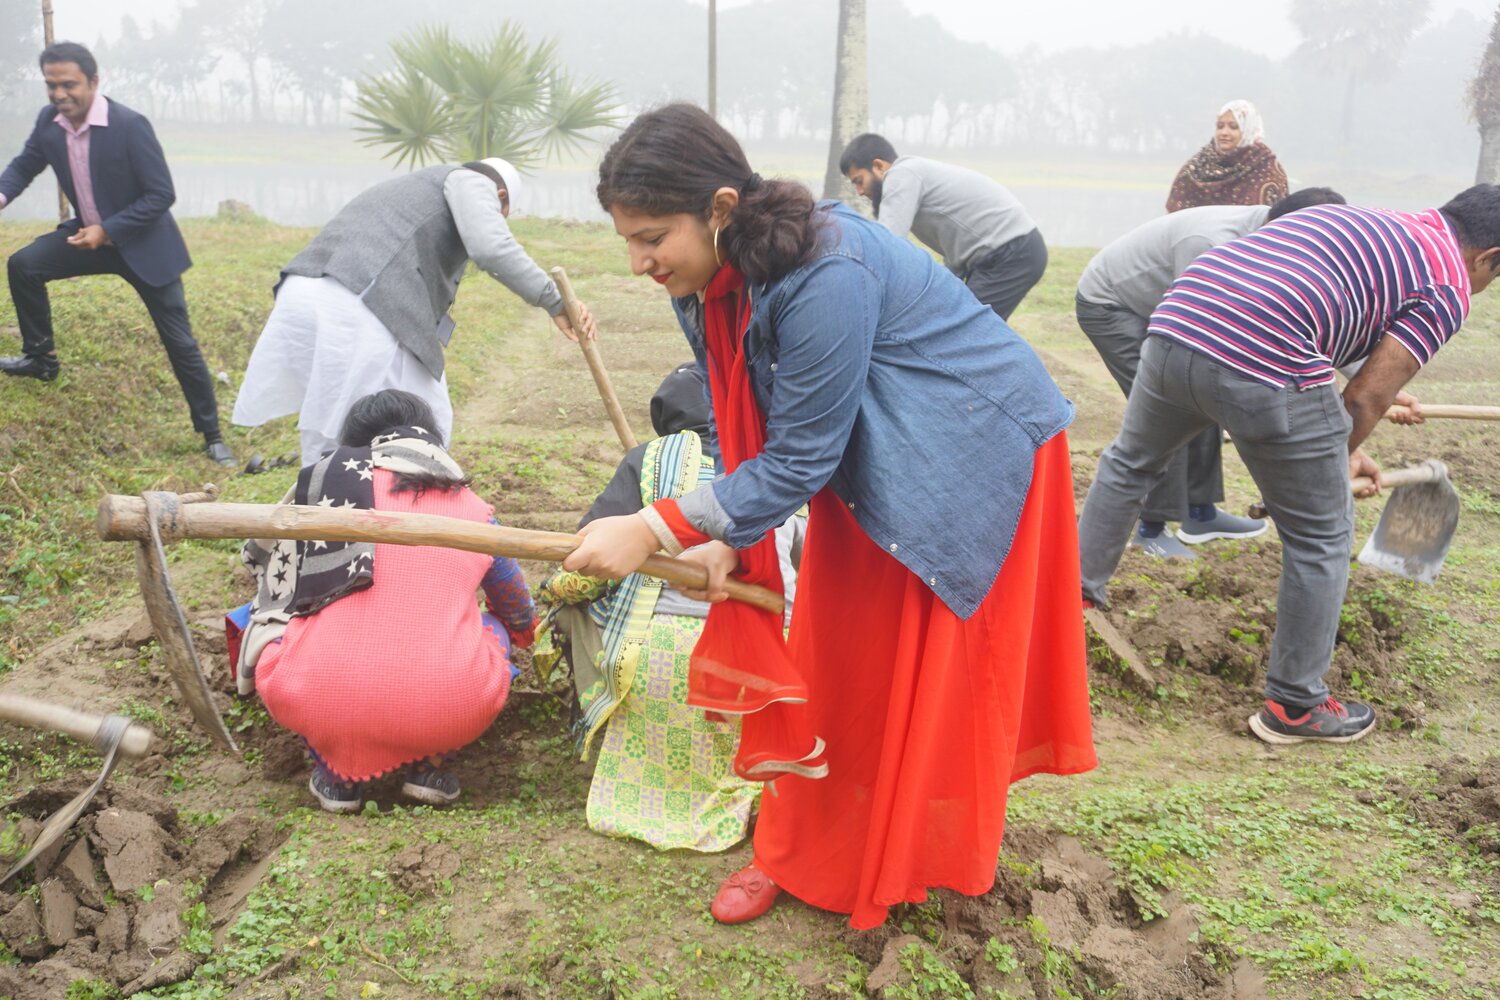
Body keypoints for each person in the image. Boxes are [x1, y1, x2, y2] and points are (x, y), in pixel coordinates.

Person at [566, 104, 1096, 929]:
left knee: (915, 676)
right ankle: (796, 850)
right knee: (838, 658)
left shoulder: (825, 270)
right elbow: (747, 415)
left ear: (718, 207)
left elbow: (801, 458)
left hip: (969, 450)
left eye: (651, 237)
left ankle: (901, 857)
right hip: (872, 449)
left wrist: (657, 525)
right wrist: (721, 533)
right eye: (626, 240)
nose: (638, 262)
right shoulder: (707, 277)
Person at [1077, 187, 1500, 746]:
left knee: (1131, 463)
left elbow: (1320, 336)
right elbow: (1367, 398)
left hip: (1179, 320)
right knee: (1323, 532)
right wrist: (1338, 461)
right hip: (1261, 358)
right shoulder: (1446, 283)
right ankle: (1297, 705)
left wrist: (1333, 447)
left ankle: (1071, 601)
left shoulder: (1362, 220)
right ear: (1489, 257)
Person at [538, 363, 803, 852]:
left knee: (572, 598)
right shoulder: (784, 465)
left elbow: (581, 571)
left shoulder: (649, 458)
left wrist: (554, 595)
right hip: (764, 671)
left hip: (656, 658)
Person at [243, 389, 535, 812]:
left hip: (319, 697)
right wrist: (522, 631)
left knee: (274, 625)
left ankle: (336, 776)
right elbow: (515, 606)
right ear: (433, 442)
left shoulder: (321, 489)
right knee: (494, 628)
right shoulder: (475, 510)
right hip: (449, 705)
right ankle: (432, 766)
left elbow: (275, 586)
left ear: (356, 445)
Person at [231, 159, 599, 465]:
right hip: (357, 300)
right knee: (422, 420)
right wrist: (554, 301)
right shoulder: (470, 181)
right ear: (499, 196)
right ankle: (388, 517)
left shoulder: (417, 189)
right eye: (502, 215)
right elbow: (491, 247)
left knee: (331, 424)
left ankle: (327, 517)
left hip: (309, 289)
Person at [1075, 187, 1346, 558]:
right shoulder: (1211, 241)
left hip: (1162, 308)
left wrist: (1380, 383)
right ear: (1286, 227)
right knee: (1173, 404)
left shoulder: (1272, 242)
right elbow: (1196, 327)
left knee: (1203, 400)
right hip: (1112, 304)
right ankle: (1152, 530)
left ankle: (1199, 514)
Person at [0, 42, 233, 465]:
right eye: (51, 85)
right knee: (24, 265)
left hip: (143, 246)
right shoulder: (49, 121)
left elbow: (161, 194)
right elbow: (24, 165)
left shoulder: (129, 125)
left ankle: (212, 433)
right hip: (85, 239)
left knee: (180, 343)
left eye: (68, 84)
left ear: (93, 81)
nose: (58, 94)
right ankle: (40, 358)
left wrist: (107, 230)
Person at [839, 133, 1046, 320]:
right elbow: (955, 245)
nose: (859, 191)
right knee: (955, 325)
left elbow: (889, 245)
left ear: (879, 166)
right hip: (1001, 254)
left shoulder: (902, 174)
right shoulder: (913, 177)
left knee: (968, 331)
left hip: (1011, 252)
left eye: (859, 180)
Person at [1166, 100, 1288, 213]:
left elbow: (1275, 217)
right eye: (1220, 126)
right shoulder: (1196, 167)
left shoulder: (1266, 168)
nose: (1224, 132)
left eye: (1233, 127)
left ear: (1248, 130)